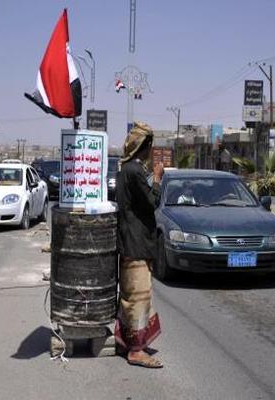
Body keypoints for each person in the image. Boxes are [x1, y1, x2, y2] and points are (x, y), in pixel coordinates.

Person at [115, 122, 164, 368]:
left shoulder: (125, 169)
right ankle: (135, 350)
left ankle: (126, 342)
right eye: (150, 146)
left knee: (130, 296)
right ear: (143, 147)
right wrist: (156, 179)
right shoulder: (134, 171)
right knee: (139, 297)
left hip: (130, 242)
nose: (151, 150)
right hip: (136, 244)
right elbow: (152, 202)